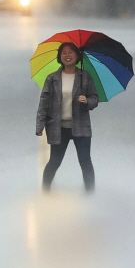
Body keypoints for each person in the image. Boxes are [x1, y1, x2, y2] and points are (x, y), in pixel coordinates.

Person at [36, 42, 98, 192]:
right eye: (64, 52)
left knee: (85, 161)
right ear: (60, 57)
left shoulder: (85, 76)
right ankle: (45, 191)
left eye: (71, 52)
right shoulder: (52, 78)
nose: (67, 55)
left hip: (80, 126)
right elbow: (43, 103)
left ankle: (90, 194)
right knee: (54, 161)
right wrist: (40, 125)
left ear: (77, 56)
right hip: (58, 127)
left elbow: (95, 98)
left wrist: (87, 101)